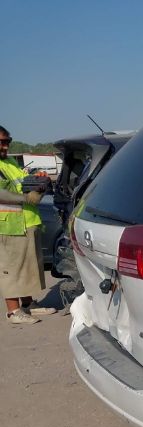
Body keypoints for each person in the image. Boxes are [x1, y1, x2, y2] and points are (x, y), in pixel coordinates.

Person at [0, 125, 57, 324]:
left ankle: (28, 305)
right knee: (12, 269)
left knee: (28, 267)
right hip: (8, 226)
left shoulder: (9, 162)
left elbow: (23, 183)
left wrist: (37, 179)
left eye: (7, 141)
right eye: (2, 142)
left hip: (27, 221)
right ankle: (13, 312)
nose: (5, 146)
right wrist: (27, 198)